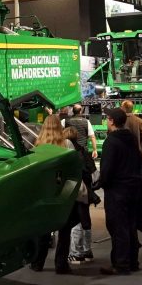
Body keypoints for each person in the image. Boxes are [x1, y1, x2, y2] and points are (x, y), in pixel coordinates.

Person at [97, 109, 142, 276]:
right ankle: (133, 261)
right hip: (133, 187)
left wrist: (101, 183)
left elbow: (107, 168)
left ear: (111, 121)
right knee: (131, 224)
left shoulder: (111, 141)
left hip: (117, 190)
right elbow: (139, 159)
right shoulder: (131, 138)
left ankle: (121, 263)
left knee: (118, 227)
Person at [29, 115, 77, 274]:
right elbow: (74, 169)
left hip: (43, 192)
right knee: (64, 230)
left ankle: (37, 262)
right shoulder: (67, 144)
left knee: (42, 229)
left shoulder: (37, 146)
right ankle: (61, 264)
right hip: (63, 191)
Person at [64, 126, 98, 264]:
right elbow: (93, 171)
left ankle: (76, 253)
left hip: (75, 188)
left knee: (74, 219)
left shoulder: (67, 153)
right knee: (85, 219)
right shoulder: (83, 151)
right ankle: (87, 250)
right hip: (86, 189)